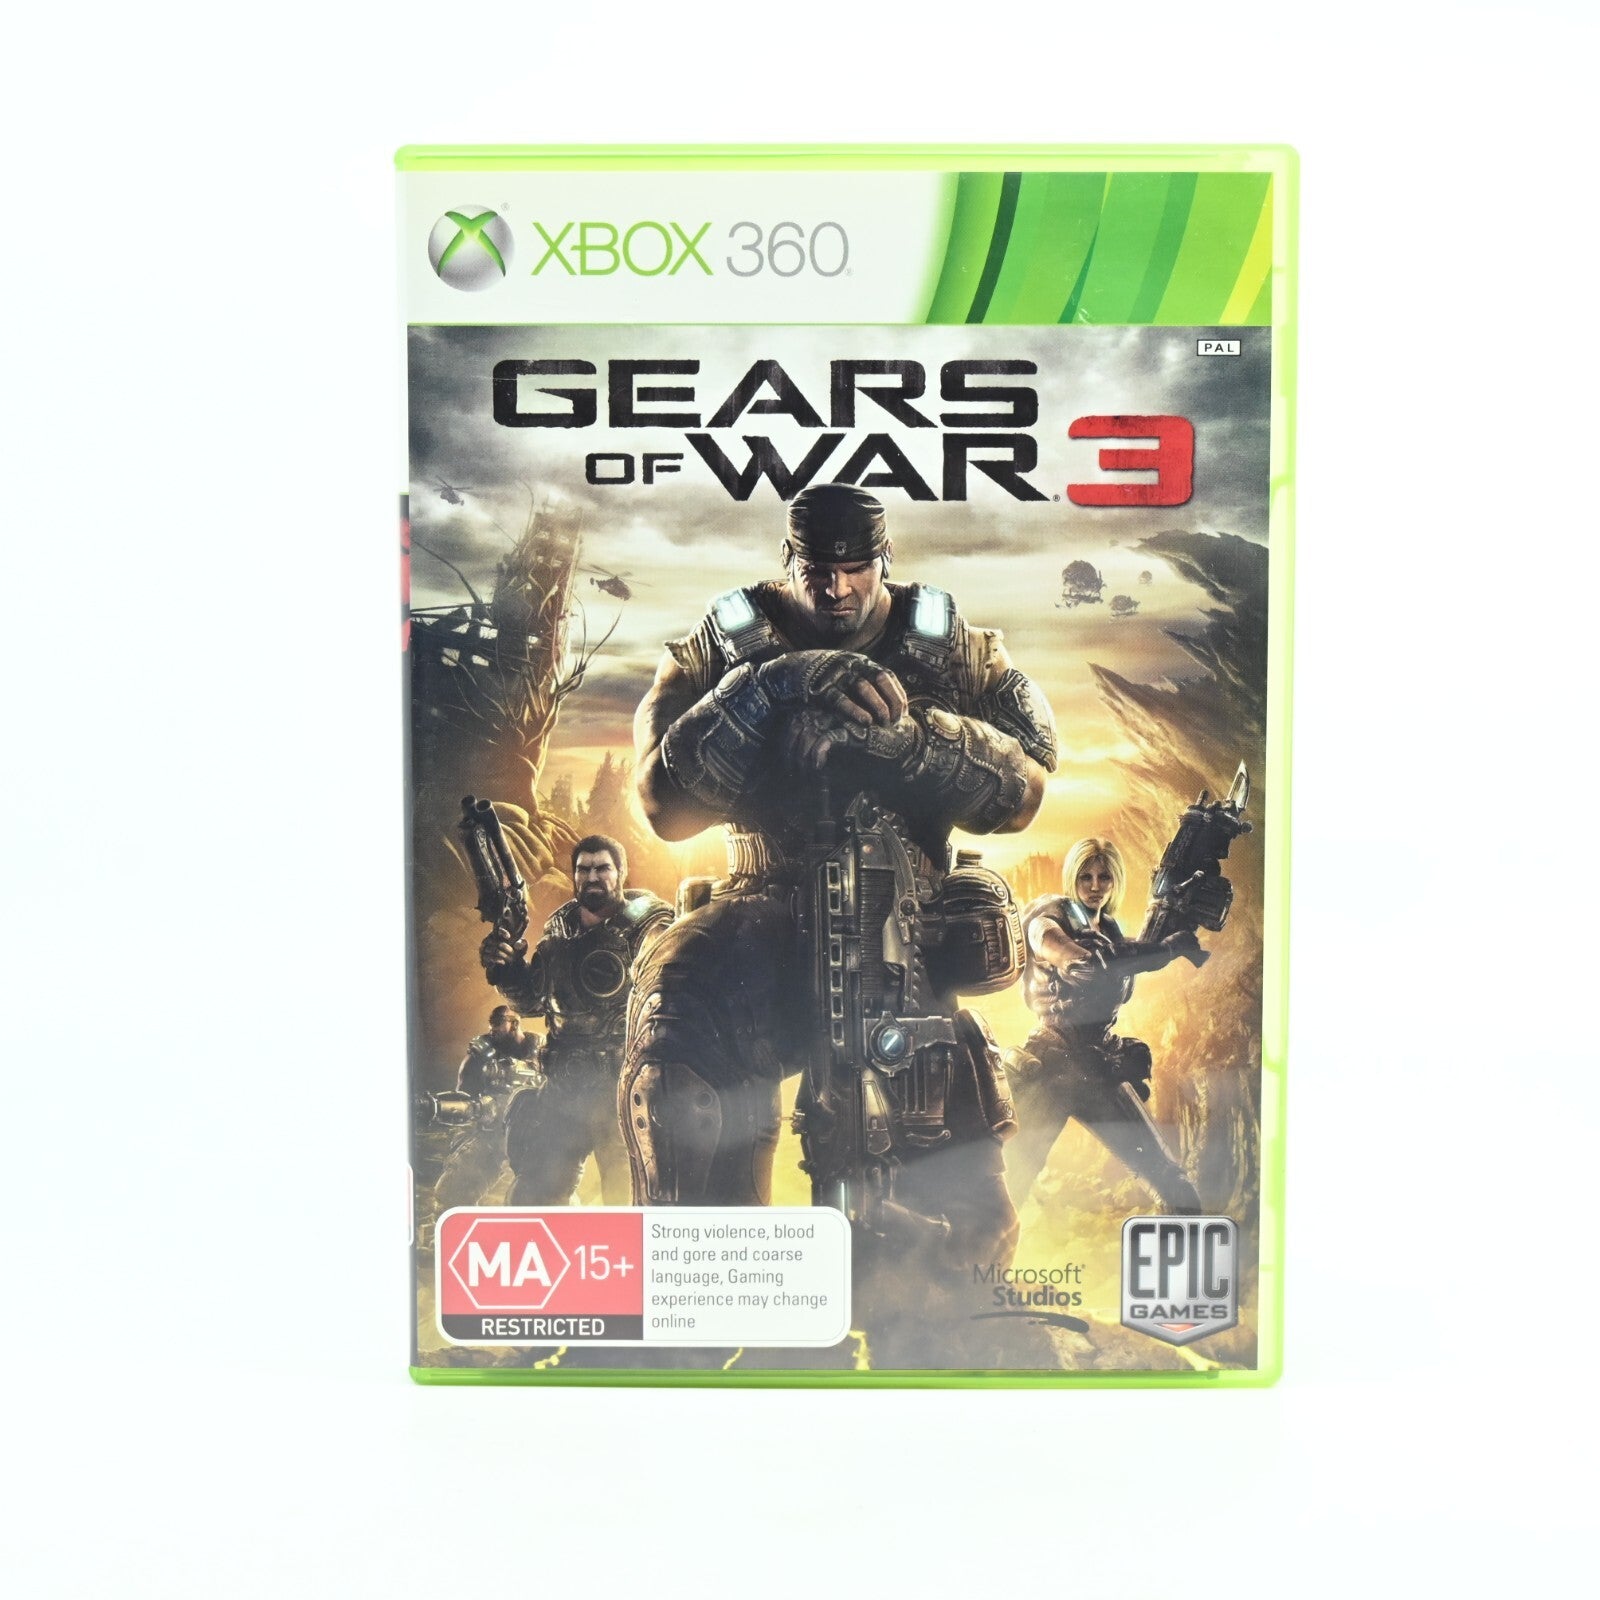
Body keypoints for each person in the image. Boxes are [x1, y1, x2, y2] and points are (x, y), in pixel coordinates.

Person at [623, 484, 1057, 1266]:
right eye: (817, 570)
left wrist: (912, 742)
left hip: (900, 929)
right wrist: (772, 685)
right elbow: (663, 805)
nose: (836, 589)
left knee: (962, 1238)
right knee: (675, 1038)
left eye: (855, 568)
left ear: (884, 557)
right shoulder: (722, 641)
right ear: (788, 559)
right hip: (759, 921)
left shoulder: (951, 643)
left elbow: (1024, 793)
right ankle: (708, 1288)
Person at [1006, 837, 1204, 1214]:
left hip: (1097, 1065)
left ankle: (1185, 1249)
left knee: (1174, 1185)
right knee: (1007, 1189)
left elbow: (1122, 957)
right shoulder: (1050, 916)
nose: (1095, 886)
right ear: (1073, 878)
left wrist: (1168, 936)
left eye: (1104, 877)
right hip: (1051, 1066)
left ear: (1115, 881)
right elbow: (1079, 960)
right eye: (1086, 877)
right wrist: (1163, 950)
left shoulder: (1108, 929)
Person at [482, 834, 672, 1204]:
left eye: (603, 868)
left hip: (624, 1094)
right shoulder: (560, 928)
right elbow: (535, 1002)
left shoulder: (649, 926)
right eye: (583, 869)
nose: (592, 877)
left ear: (621, 873)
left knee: (628, 1202)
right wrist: (507, 968)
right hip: (564, 1091)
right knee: (530, 1198)